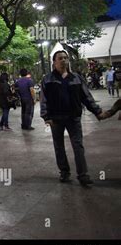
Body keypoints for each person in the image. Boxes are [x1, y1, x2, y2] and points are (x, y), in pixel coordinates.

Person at [40, 50, 103, 186]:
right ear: (54, 62)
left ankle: (83, 174)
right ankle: (64, 171)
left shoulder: (76, 78)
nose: (63, 60)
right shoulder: (48, 79)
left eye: (65, 58)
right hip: (56, 118)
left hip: (73, 117)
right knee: (59, 146)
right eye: (60, 58)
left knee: (78, 145)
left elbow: (86, 97)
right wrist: (46, 116)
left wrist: (97, 112)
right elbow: (43, 99)